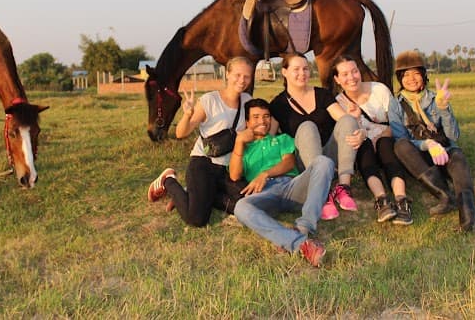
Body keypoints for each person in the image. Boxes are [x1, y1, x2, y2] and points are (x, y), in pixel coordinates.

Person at [389, 50, 475, 233]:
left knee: (458, 157)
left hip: (444, 152)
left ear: (424, 75)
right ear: (399, 78)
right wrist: (427, 144)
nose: (411, 79)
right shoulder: (396, 105)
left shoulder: (436, 98)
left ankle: (469, 219)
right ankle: (445, 196)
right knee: (400, 146)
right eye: (405, 75)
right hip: (419, 158)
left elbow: (453, 136)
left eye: (416, 73)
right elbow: (401, 138)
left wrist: (443, 108)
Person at [147, 57, 253, 227]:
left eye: (247, 76)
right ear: (227, 74)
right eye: (237, 74)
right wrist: (188, 114)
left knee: (247, 205)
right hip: (204, 163)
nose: (242, 80)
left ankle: (194, 194)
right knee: (196, 219)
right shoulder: (210, 100)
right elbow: (181, 133)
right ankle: (169, 181)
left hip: (228, 169)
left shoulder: (248, 101)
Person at [231, 98, 333, 267]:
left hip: (291, 186)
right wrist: (239, 142)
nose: (262, 121)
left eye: (266, 116)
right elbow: (235, 176)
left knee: (324, 162)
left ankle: (304, 228)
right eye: (255, 117)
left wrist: (265, 173)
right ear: (247, 122)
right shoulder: (243, 149)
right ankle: (301, 244)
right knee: (241, 207)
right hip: (265, 194)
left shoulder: (281, 139)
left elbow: (289, 163)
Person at [269, 52, 359, 220]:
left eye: (305, 69)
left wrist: (359, 132)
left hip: (331, 156)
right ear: (284, 72)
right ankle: (321, 194)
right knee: (307, 127)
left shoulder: (323, 94)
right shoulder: (277, 105)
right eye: (296, 69)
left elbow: (342, 119)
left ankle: (343, 187)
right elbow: (269, 139)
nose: (302, 73)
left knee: (348, 119)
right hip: (306, 163)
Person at [330, 55, 413, 225]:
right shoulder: (339, 103)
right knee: (363, 145)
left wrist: (380, 136)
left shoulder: (379, 90)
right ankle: (381, 200)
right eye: (344, 74)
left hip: (387, 139)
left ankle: (401, 200)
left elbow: (396, 123)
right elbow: (348, 132)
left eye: (354, 71)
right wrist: (356, 123)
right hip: (365, 146)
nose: (351, 77)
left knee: (384, 146)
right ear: (337, 79)